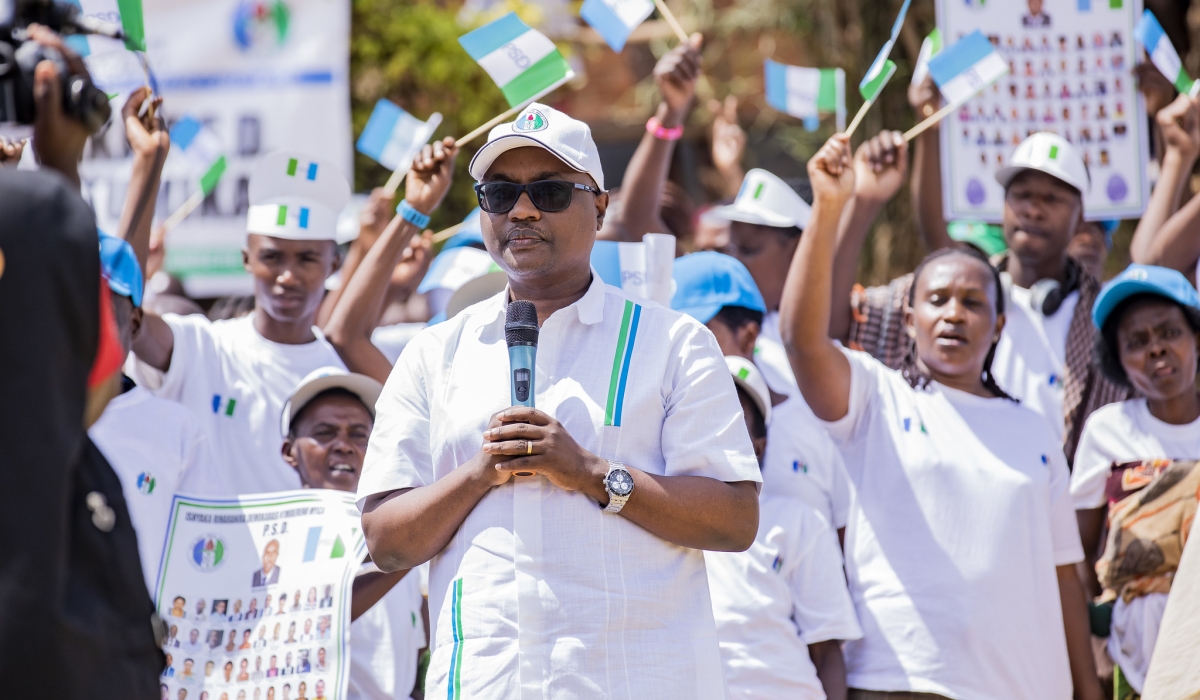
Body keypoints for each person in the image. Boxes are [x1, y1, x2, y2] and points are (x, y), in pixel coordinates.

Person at [357, 102, 760, 698]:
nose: (521, 210)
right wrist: (480, 472)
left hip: (635, 680)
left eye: (548, 191)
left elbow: (733, 519)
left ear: (598, 204)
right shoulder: (435, 351)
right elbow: (386, 542)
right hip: (486, 682)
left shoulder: (673, 343)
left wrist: (590, 472)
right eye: (499, 193)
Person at [778, 134, 1101, 699]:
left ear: (999, 326)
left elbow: (1064, 580)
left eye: (973, 303)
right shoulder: (874, 398)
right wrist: (831, 208)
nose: (954, 313)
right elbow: (803, 341)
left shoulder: (1033, 431)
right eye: (938, 300)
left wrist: (1089, 691)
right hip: (901, 682)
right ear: (908, 319)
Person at [842, 130, 1130, 464]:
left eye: (1051, 199)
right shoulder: (952, 294)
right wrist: (863, 201)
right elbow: (839, 321)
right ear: (1003, 205)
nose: (1033, 210)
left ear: (1080, 214)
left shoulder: (1107, 321)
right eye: (1022, 195)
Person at [127, 149, 355, 495]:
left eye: (307, 258)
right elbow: (125, 317)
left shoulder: (348, 369)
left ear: (333, 264)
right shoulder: (203, 347)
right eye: (272, 257)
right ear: (247, 259)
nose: (287, 276)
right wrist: (148, 164)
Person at [1070, 264, 1200, 696]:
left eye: (1169, 333)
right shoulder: (1107, 431)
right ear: (1118, 360)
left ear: (1196, 337)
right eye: (1137, 342)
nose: (1157, 350)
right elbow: (1079, 551)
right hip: (1135, 654)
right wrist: (1096, 642)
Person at [705, 356, 862, 699]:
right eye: (703, 413)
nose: (713, 430)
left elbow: (827, 649)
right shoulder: (654, 514)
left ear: (759, 449)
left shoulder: (798, 523)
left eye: (731, 421)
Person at [672, 251, 851, 533]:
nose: (677, 354)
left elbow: (847, 537)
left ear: (748, 336)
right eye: (670, 338)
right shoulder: (655, 419)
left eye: (696, 336)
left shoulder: (820, 424)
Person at [707, 168, 812, 400]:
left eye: (748, 250)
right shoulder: (726, 325)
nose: (734, 262)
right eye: (731, 249)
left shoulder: (841, 328)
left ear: (797, 250)